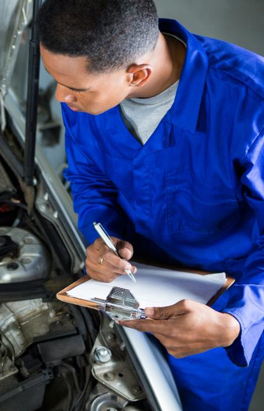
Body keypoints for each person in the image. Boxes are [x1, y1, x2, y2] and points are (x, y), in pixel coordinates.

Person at [37, 0, 264, 409]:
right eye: (55, 79)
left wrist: (237, 323)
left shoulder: (252, 105)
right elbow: (89, 180)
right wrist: (102, 237)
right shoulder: (85, 91)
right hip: (126, 290)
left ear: (137, 75)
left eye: (75, 88)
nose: (61, 96)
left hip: (216, 312)